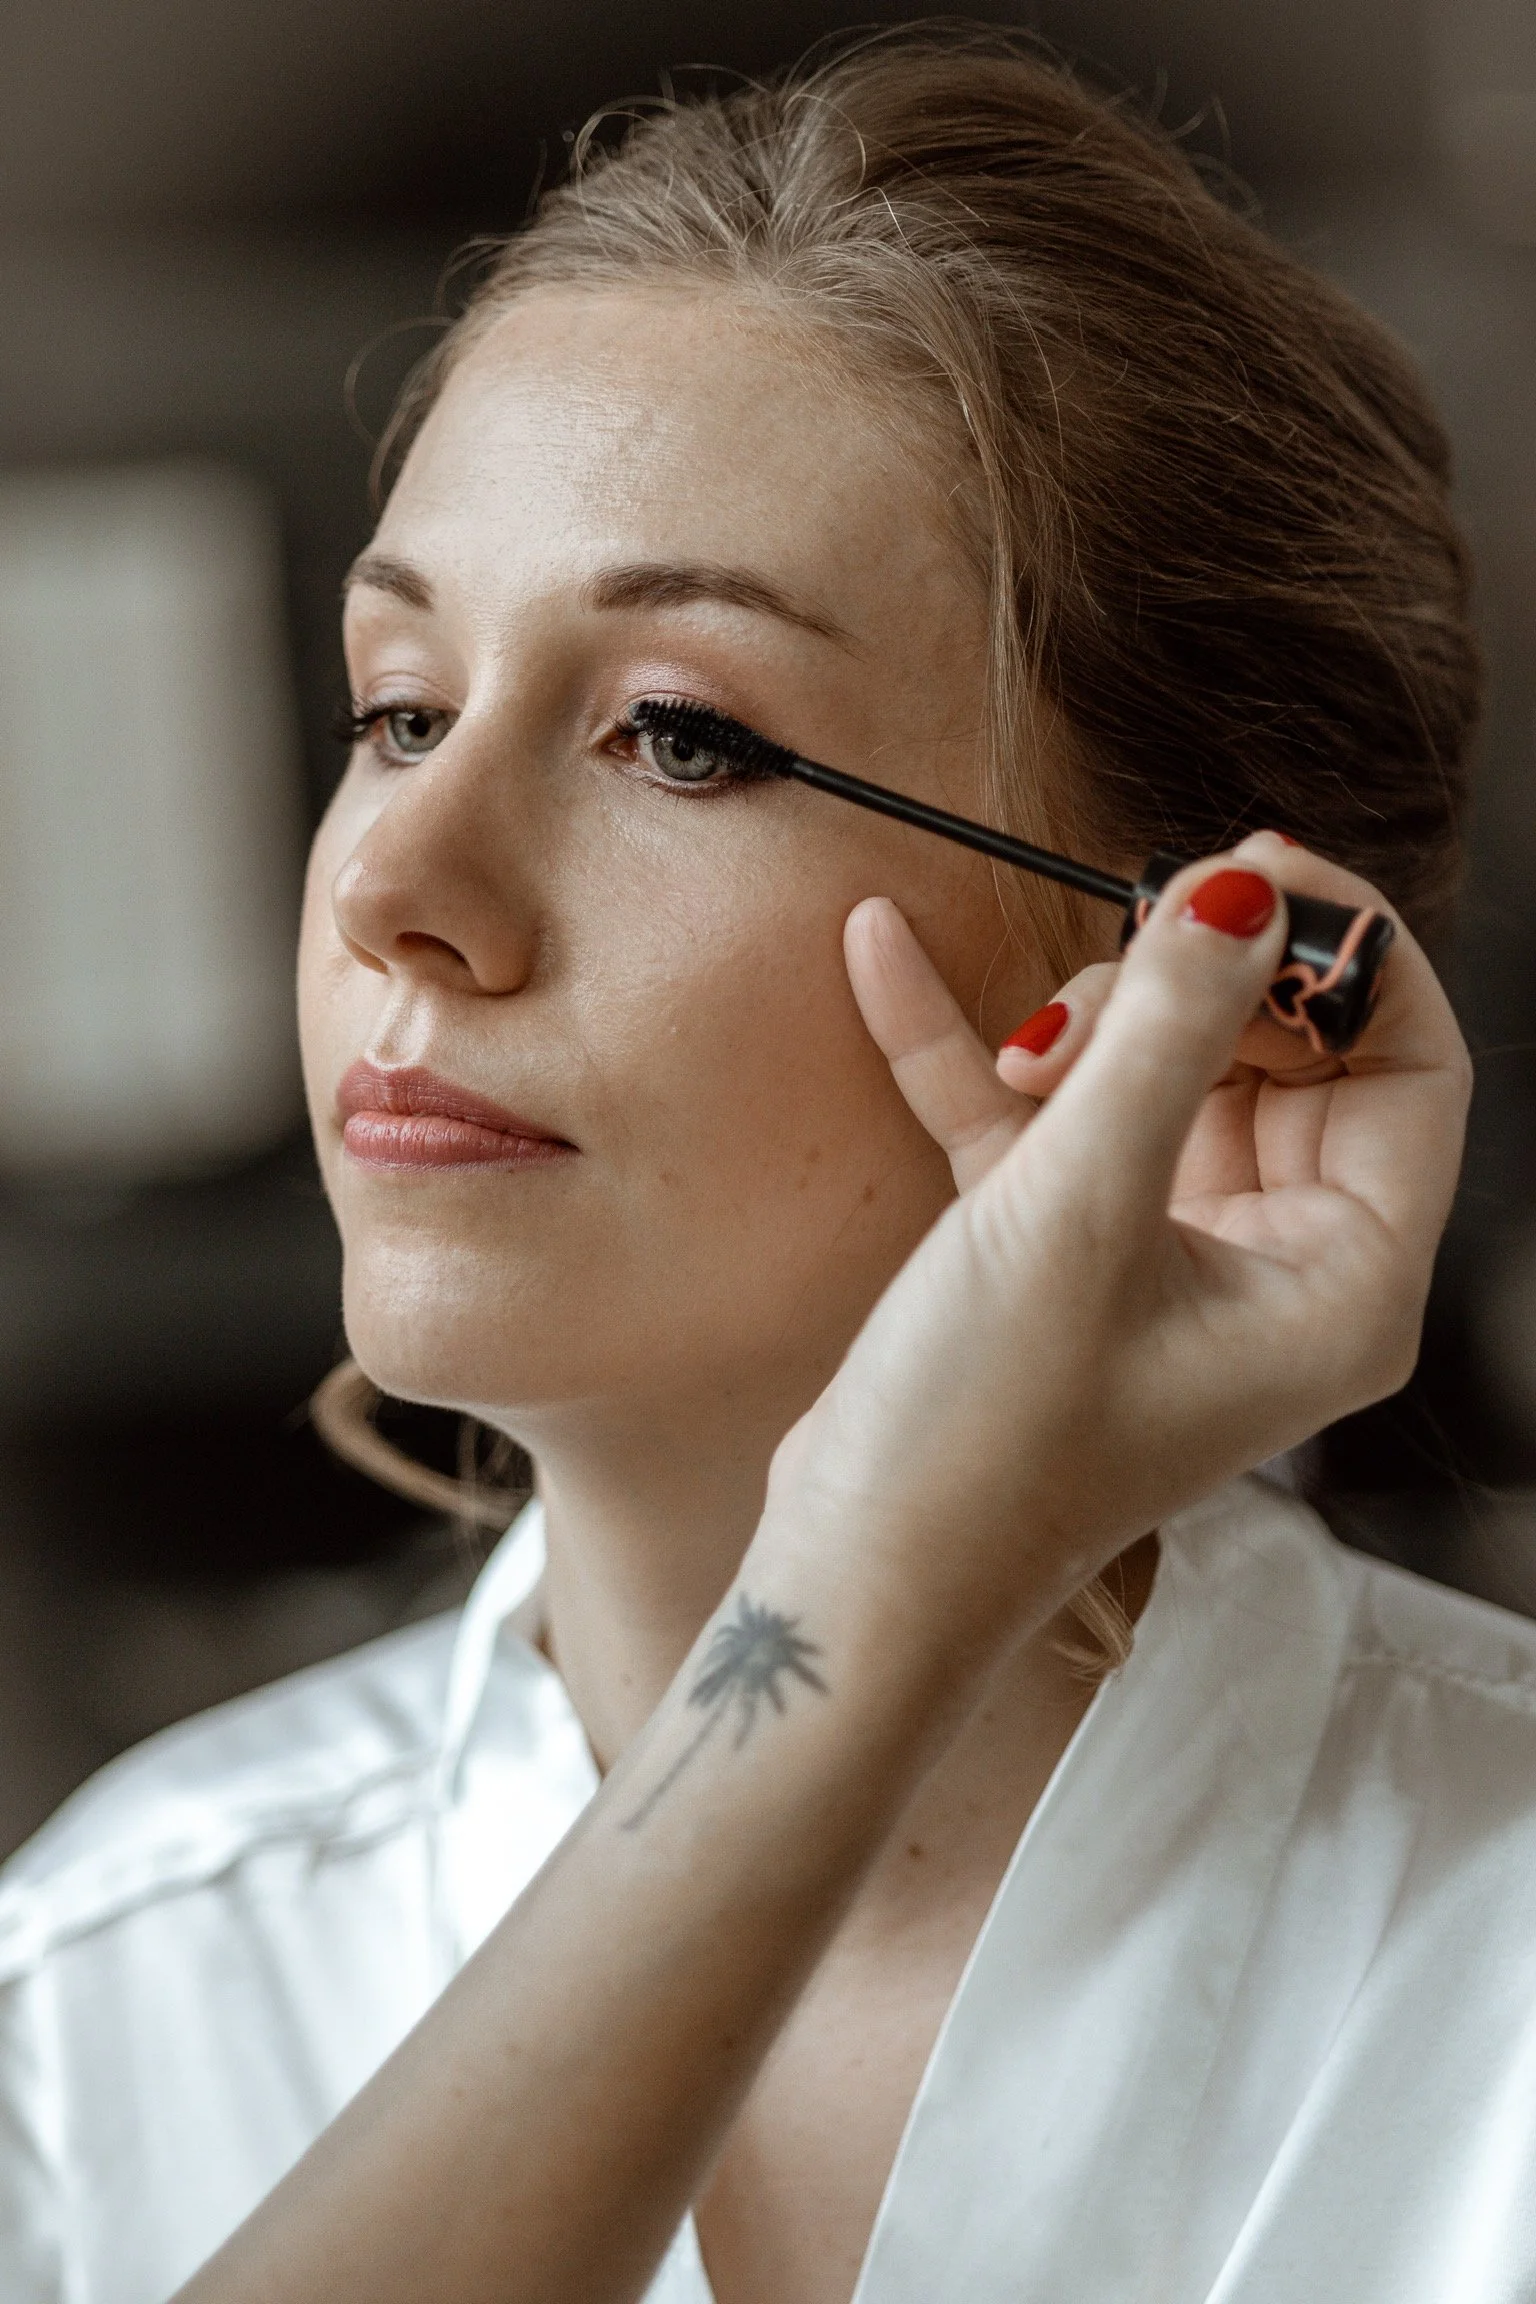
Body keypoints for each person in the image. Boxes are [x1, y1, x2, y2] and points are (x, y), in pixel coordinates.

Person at [0, 31, 1517, 2304]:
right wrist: (875, 1608)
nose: (394, 882)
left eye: (680, 737)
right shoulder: (110, 1995)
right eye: (398, 706)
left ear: (1193, 965)